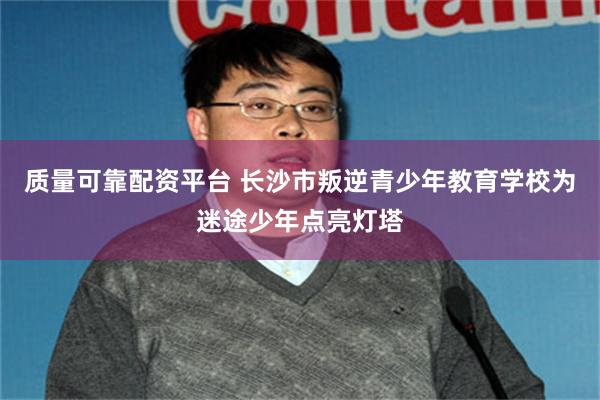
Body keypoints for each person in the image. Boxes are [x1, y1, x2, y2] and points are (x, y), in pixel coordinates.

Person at [46, 23, 544, 399]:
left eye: (314, 107)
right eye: (261, 106)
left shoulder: (409, 250)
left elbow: (505, 390)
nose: (292, 125)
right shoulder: (134, 267)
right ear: (201, 126)